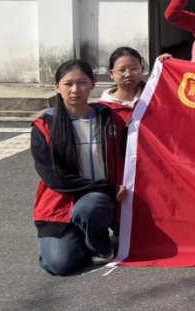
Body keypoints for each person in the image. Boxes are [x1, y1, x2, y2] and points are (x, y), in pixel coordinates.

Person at [31, 60, 128, 276]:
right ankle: (81, 238)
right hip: (60, 203)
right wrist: (108, 187)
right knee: (58, 265)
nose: (75, 90)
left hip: (99, 202)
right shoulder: (44, 126)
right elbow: (55, 179)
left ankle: (99, 243)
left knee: (91, 204)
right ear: (57, 87)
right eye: (68, 84)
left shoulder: (110, 118)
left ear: (93, 84)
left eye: (82, 83)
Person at [100, 47, 151, 125]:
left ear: (142, 69)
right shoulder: (103, 108)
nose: (128, 74)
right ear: (111, 73)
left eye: (134, 69)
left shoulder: (154, 99)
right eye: (122, 70)